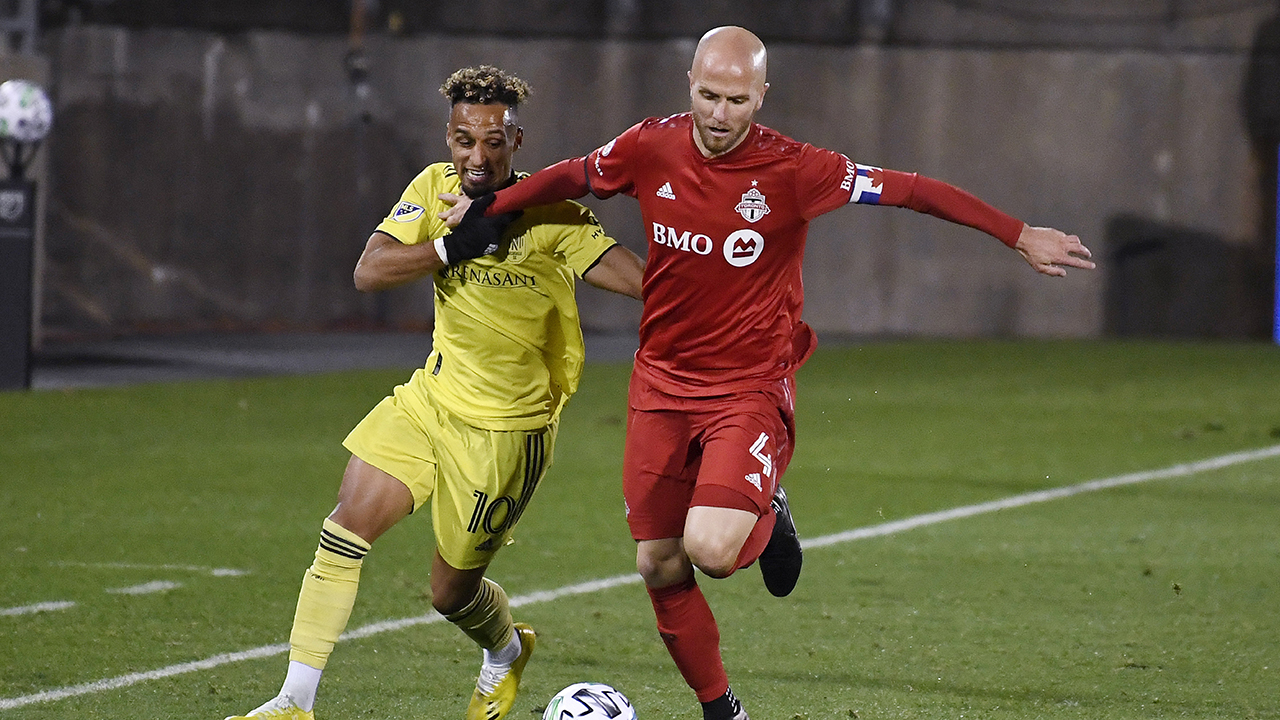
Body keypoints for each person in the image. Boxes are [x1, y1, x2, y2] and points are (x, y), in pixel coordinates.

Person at [441, 27, 1095, 720]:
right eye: (708, 95)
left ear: (762, 95)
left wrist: (1017, 233)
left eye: (738, 100)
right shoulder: (648, 145)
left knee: (713, 551)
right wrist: (491, 209)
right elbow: (574, 174)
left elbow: (911, 190)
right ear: (689, 82)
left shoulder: (797, 169)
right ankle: (723, 709)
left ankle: (767, 510)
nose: (720, 115)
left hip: (748, 388)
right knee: (658, 564)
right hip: (660, 384)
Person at [224, 65, 645, 720]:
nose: (476, 157)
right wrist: (452, 247)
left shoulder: (551, 213)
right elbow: (370, 270)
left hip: (508, 432)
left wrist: (703, 279)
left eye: (493, 142)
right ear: (449, 138)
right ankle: (293, 702)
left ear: (516, 140)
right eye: (463, 140)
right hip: (432, 401)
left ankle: (505, 651)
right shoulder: (434, 187)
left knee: (450, 594)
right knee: (346, 525)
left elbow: (633, 277)